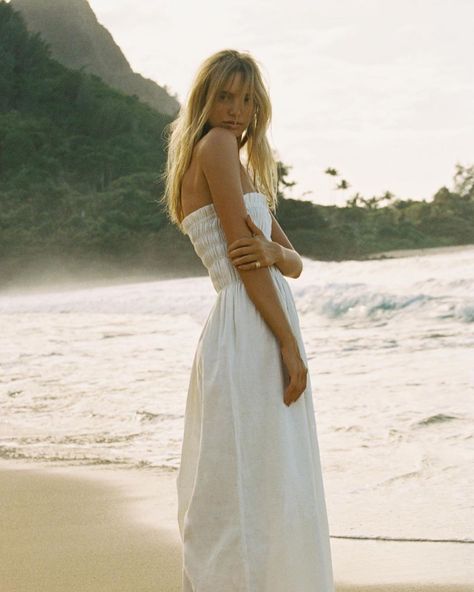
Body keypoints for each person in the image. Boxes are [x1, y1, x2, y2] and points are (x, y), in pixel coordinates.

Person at [161, 49, 335, 592]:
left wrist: (276, 256)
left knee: (258, 473)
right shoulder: (213, 146)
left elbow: (292, 261)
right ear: (205, 102)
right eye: (226, 98)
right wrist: (287, 343)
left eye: (247, 100)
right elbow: (245, 257)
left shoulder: (235, 163)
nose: (237, 110)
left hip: (250, 323)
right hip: (251, 325)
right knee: (257, 477)